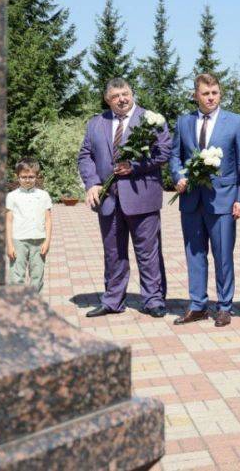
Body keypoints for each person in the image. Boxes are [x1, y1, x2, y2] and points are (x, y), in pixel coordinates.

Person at [78, 78, 170, 318]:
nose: (122, 99)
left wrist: (135, 166)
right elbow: (85, 155)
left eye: (125, 93)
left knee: (148, 252)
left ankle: (153, 300)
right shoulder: (96, 123)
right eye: (116, 95)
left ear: (132, 94)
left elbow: (164, 152)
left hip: (142, 197)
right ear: (108, 99)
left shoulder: (151, 120)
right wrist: (92, 183)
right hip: (108, 199)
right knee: (113, 253)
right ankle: (113, 300)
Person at [169, 73, 240, 327]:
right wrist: (178, 176)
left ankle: (225, 306)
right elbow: (175, 156)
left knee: (223, 255)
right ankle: (197, 305)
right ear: (196, 95)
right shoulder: (183, 122)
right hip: (191, 200)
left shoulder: (236, 122)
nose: (211, 97)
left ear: (220, 94)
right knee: (194, 253)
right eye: (205, 93)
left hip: (223, 200)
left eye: (214, 92)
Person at [5, 158, 53, 291]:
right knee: (16, 276)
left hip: (39, 240)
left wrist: (47, 241)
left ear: (37, 176)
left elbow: (48, 220)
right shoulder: (12, 196)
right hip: (18, 241)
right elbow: (9, 221)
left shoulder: (44, 195)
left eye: (31, 177)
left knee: (37, 276)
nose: (27, 180)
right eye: (23, 177)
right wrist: (9, 245)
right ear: (17, 177)